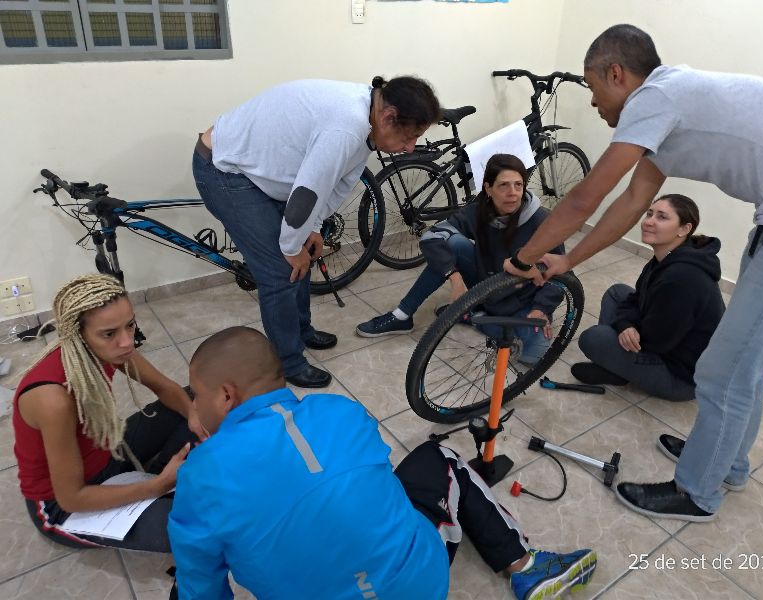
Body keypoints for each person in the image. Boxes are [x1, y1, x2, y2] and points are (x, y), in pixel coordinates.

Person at [503, 23, 763, 522]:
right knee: (742, 362)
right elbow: (631, 201)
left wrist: (525, 257)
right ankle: (728, 463)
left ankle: (697, 493)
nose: (595, 104)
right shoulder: (669, 107)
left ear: (616, 73)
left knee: (724, 369)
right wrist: (568, 260)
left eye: (593, 88)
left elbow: (583, 197)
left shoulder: (655, 97)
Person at [168, 326, 597, 599]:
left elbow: (201, 585)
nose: (194, 404)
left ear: (226, 395)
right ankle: (526, 566)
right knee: (439, 456)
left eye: (195, 394)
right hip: (420, 589)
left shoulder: (201, 475)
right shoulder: (341, 411)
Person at [193, 76, 441, 389]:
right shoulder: (347, 127)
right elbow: (307, 193)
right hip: (224, 168)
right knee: (280, 270)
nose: (411, 147)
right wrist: (292, 245)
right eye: (410, 136)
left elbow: (338, 184)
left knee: (304, 253)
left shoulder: (368, 118)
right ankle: (289, 361)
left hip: (256, 169)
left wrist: (312, 228)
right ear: (389, 116)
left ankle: (301, 330)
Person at [11, 274, 206, 552]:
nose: (127, 342)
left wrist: (194, 414)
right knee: (199, 530)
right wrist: (159, 486)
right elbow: (71, 497)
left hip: (108, 455)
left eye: (129, 325)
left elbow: (164, 387)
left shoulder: (112, 350)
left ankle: (152, 476)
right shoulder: (52, 399)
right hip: (62, 503)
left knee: (198, 399)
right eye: (109, 333)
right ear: (77, 335)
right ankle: (156, 483)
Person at [356, 153, 564, 365]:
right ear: (488, 188)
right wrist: (454, 277)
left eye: (518, 185)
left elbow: (562, 276)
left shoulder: (542, 221)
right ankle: (402, 315)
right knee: (451, 245)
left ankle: (473, 314)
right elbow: (431, 238)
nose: (513, 193)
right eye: (503, 186)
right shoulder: (477, 211)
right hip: (488, 285)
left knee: (533, 355)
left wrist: (541, 308)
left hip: (522, 302)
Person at [573, 194, 725, 401]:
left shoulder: (682, 278)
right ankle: (616, 367)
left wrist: (625, 325)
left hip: (680, 377)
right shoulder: (667, 258)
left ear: (684, 229)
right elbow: (636, 299)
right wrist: (626, 324)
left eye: (662, 217)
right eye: (650, 214)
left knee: (594, 338)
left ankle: (616, 367)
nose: (649, 222)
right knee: (617, 293)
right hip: (668, 346)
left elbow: (657, 341)